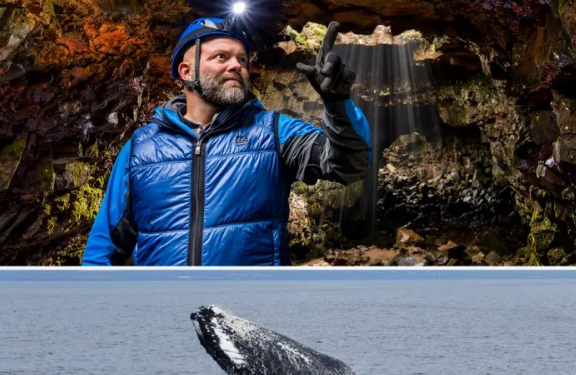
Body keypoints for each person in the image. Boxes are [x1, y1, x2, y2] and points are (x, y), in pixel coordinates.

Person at [82, 18, 371, 265]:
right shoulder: (141, 148)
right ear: (186, 72)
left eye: (242, 59)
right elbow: (104, 247)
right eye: (221, 57)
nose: (236, 66)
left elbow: (350, 164)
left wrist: (337, 103)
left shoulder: (273, 132)